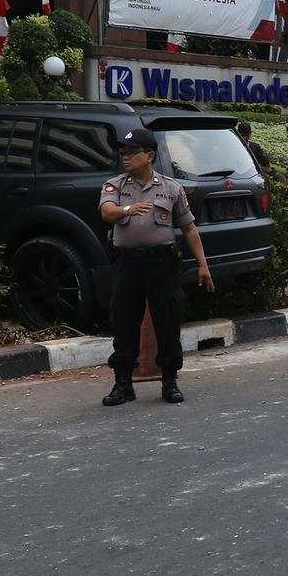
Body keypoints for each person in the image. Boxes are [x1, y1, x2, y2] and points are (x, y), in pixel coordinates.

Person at [99, 128, 216, 407]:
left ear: (149, 155)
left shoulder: (170, 188)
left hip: (161, 263)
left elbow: (188, 228)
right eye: (123, 153)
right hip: (127, 263)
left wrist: (203, 265)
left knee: (167, 321)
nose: (125, 158)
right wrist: (128, 210)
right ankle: (123, 384)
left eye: (132, 153)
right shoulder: (115, 185)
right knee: (124, 322)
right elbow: (106, 212)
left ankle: (170, 382)